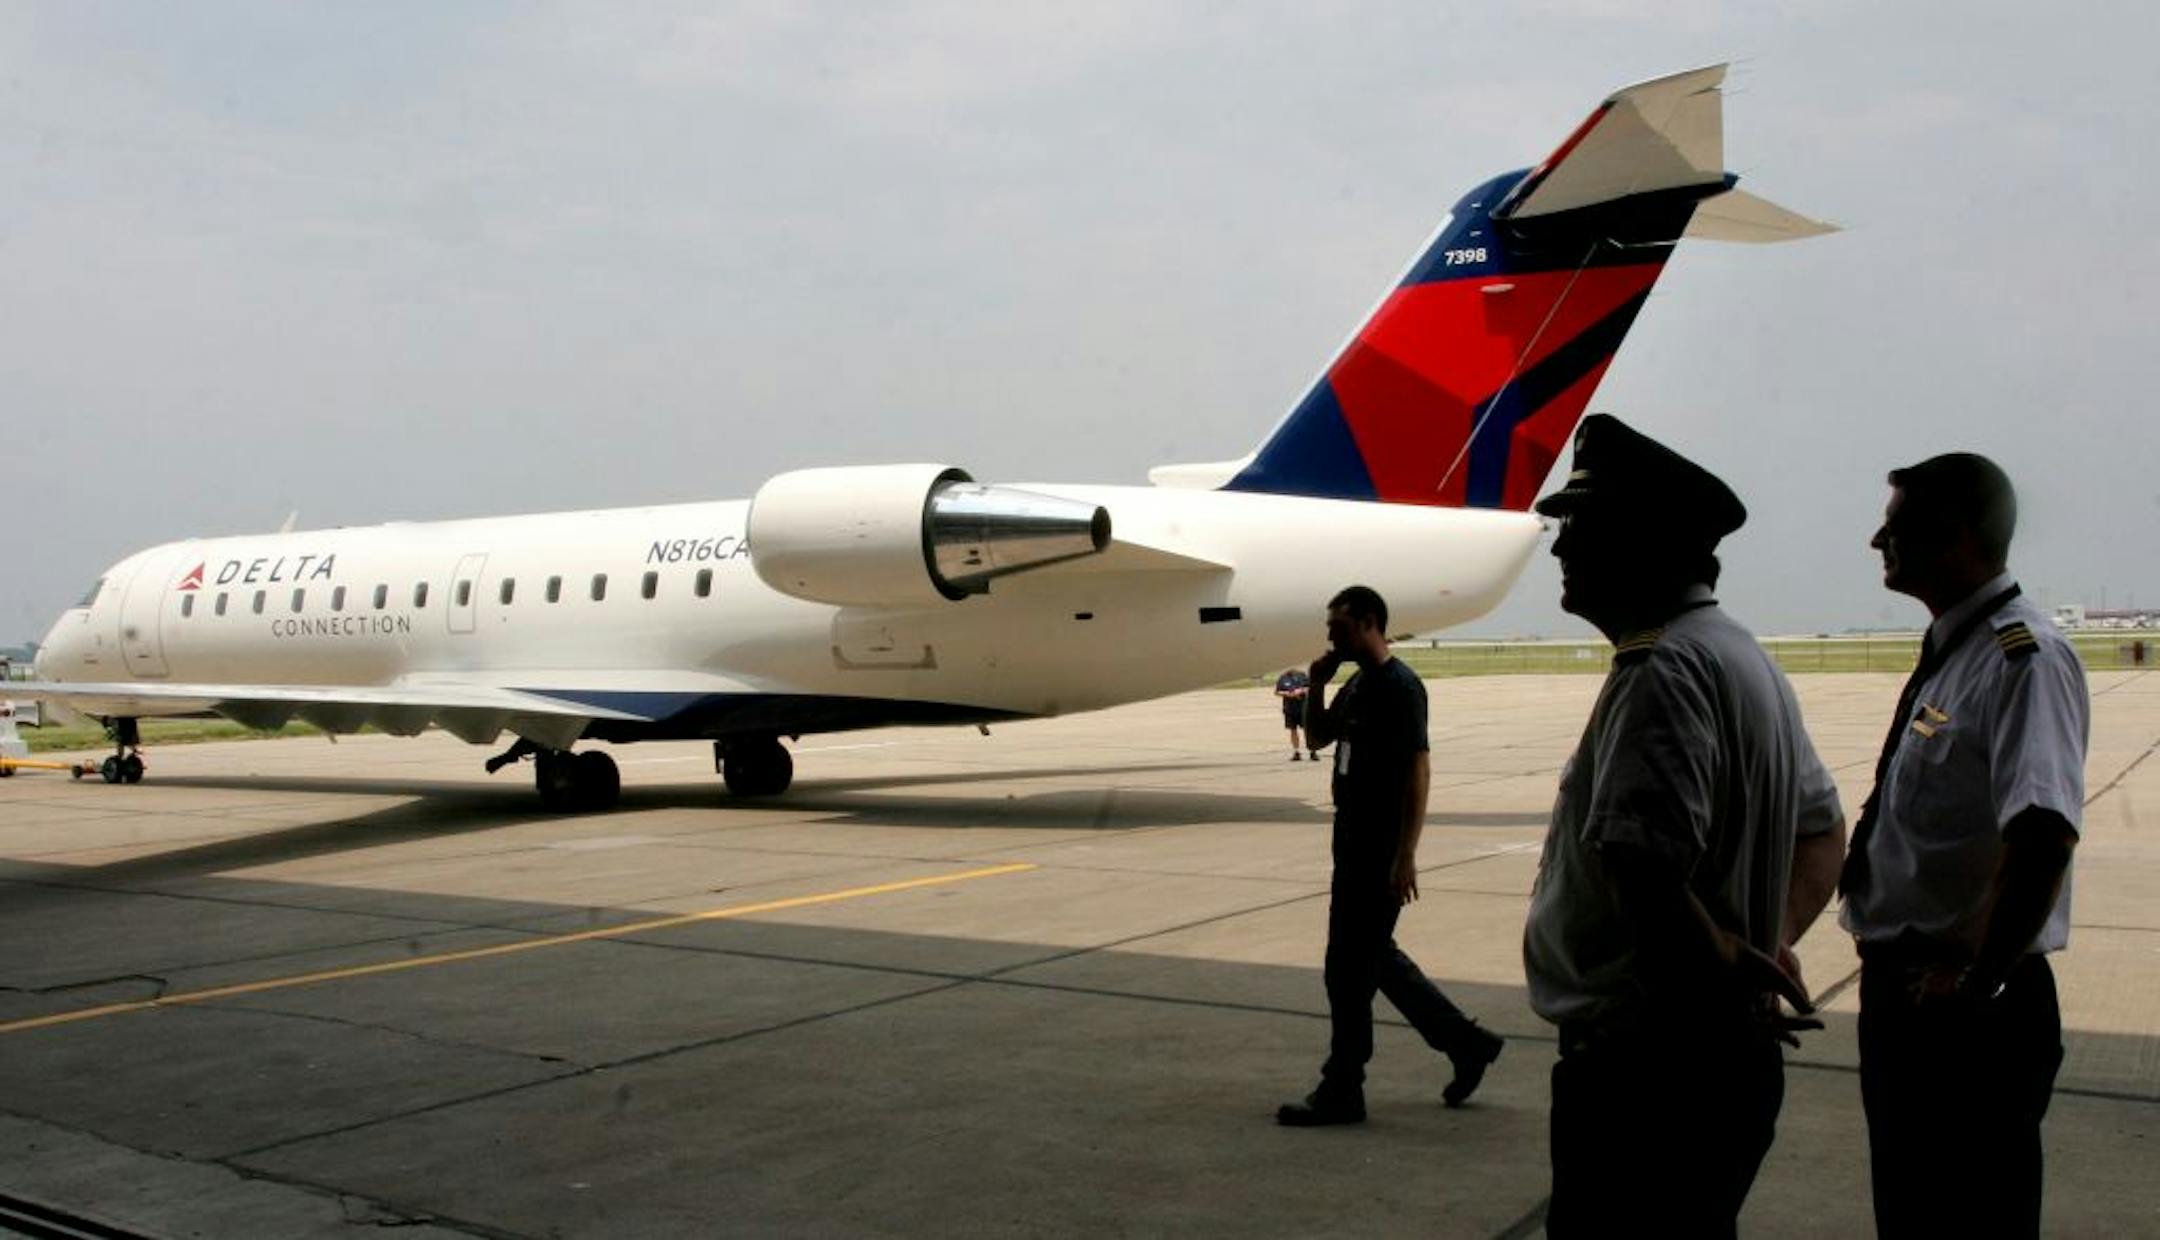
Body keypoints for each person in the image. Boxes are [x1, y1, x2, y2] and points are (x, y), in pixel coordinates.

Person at [1521, 415, 1846, 1237]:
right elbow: (1823, 833)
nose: (1559, 550)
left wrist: (1730, 957)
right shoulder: (1742, 654)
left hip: (1648, 1073)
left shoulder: (1662, 667)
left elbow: (1639, 864)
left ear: (1641, 541)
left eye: (1579, 528)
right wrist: (1764, 942)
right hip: (1719, 1064)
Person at [1839, 452, 2087, 1238]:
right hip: (1912, 1000)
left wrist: (1981, 982)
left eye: (1897, 524)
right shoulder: (1962, 652)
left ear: (1955, 537)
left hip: (1963, 1017)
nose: (1878, 540)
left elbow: (2043, 832)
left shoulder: (2024, 660)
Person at [1277, 585, 1505, 1126]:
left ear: (1369, 623)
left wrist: (1406, 855)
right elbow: (1316, 735)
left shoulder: (1402, 687)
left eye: (1339, 627)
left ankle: (1344, 1087)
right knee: (1373, 959)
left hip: (1380, 845)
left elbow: (1418, 771)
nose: (1331, 635)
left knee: (1347, 968)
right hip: (1351, 839)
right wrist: (1316, 681)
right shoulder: (1357, 684)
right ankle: (1466, 1044)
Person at [1273, 666, 1312, 759]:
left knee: (1307, 730)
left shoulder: (1302, 675)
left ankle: (1312, 751)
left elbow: (1310, 687)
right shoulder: (1283, 678)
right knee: (1293, 730)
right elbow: (1277, 692)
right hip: (1290, 709)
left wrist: (1301, 691)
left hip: (1303, 708)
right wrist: (1286, 694)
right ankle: (1296, 752)